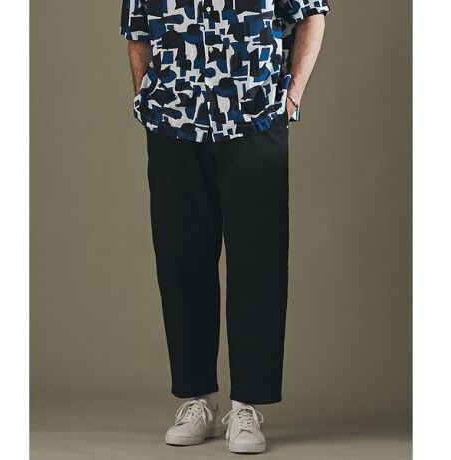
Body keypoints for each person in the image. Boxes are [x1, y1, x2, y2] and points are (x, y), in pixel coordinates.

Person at [120, 0, 329, 453]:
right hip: (174, 119)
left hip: (255, 118)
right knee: (181, 260)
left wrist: (292, 96)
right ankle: (199, 399)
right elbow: (137, 30)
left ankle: (246, 405)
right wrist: (145, 97)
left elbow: (312, 12)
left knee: (259, 262)